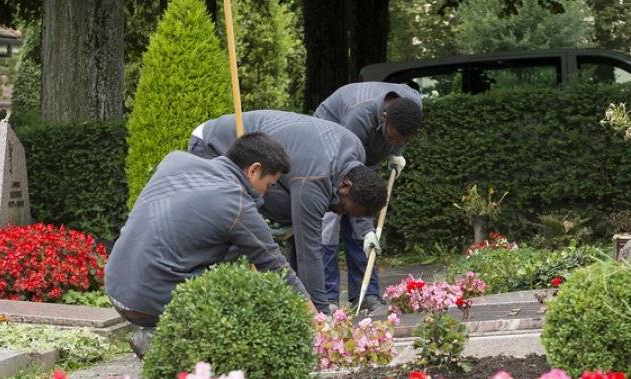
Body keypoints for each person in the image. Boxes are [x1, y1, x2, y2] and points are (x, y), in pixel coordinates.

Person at [105, 133, 313, 358]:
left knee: (230, 251)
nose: (266, 193)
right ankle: (162, 338)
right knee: (248, 301)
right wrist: (318, 324)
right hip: (146, 303)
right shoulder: (235, 202)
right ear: (253, 170)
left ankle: (166, 331)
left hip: (116, 286)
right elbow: (276, 267)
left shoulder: (176, 160)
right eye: (268, 185)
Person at [188, 110, 388, 313]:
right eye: (345, 209)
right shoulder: (314, 180)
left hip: (261, 153)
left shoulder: (355, 153)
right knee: (233, 225)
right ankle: (206, 306)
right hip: (212, 145)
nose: (340, 213)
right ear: (345, 185)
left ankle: (291, 308)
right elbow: (308, 251)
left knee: (293, 216)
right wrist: (321, 315)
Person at [313, 82, 424, 313]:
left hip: (362, 152)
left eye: (401, 141)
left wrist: (397, 154)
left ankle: (367, 296)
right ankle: (327, 298)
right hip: (329, 140)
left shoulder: (411, 108)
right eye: (392, 139)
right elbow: (354, 176)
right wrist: (366, 230)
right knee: (330, 221)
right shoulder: (358, 116)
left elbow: (399, 136)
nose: (395, 143)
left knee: (362, 225)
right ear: (384, 118)